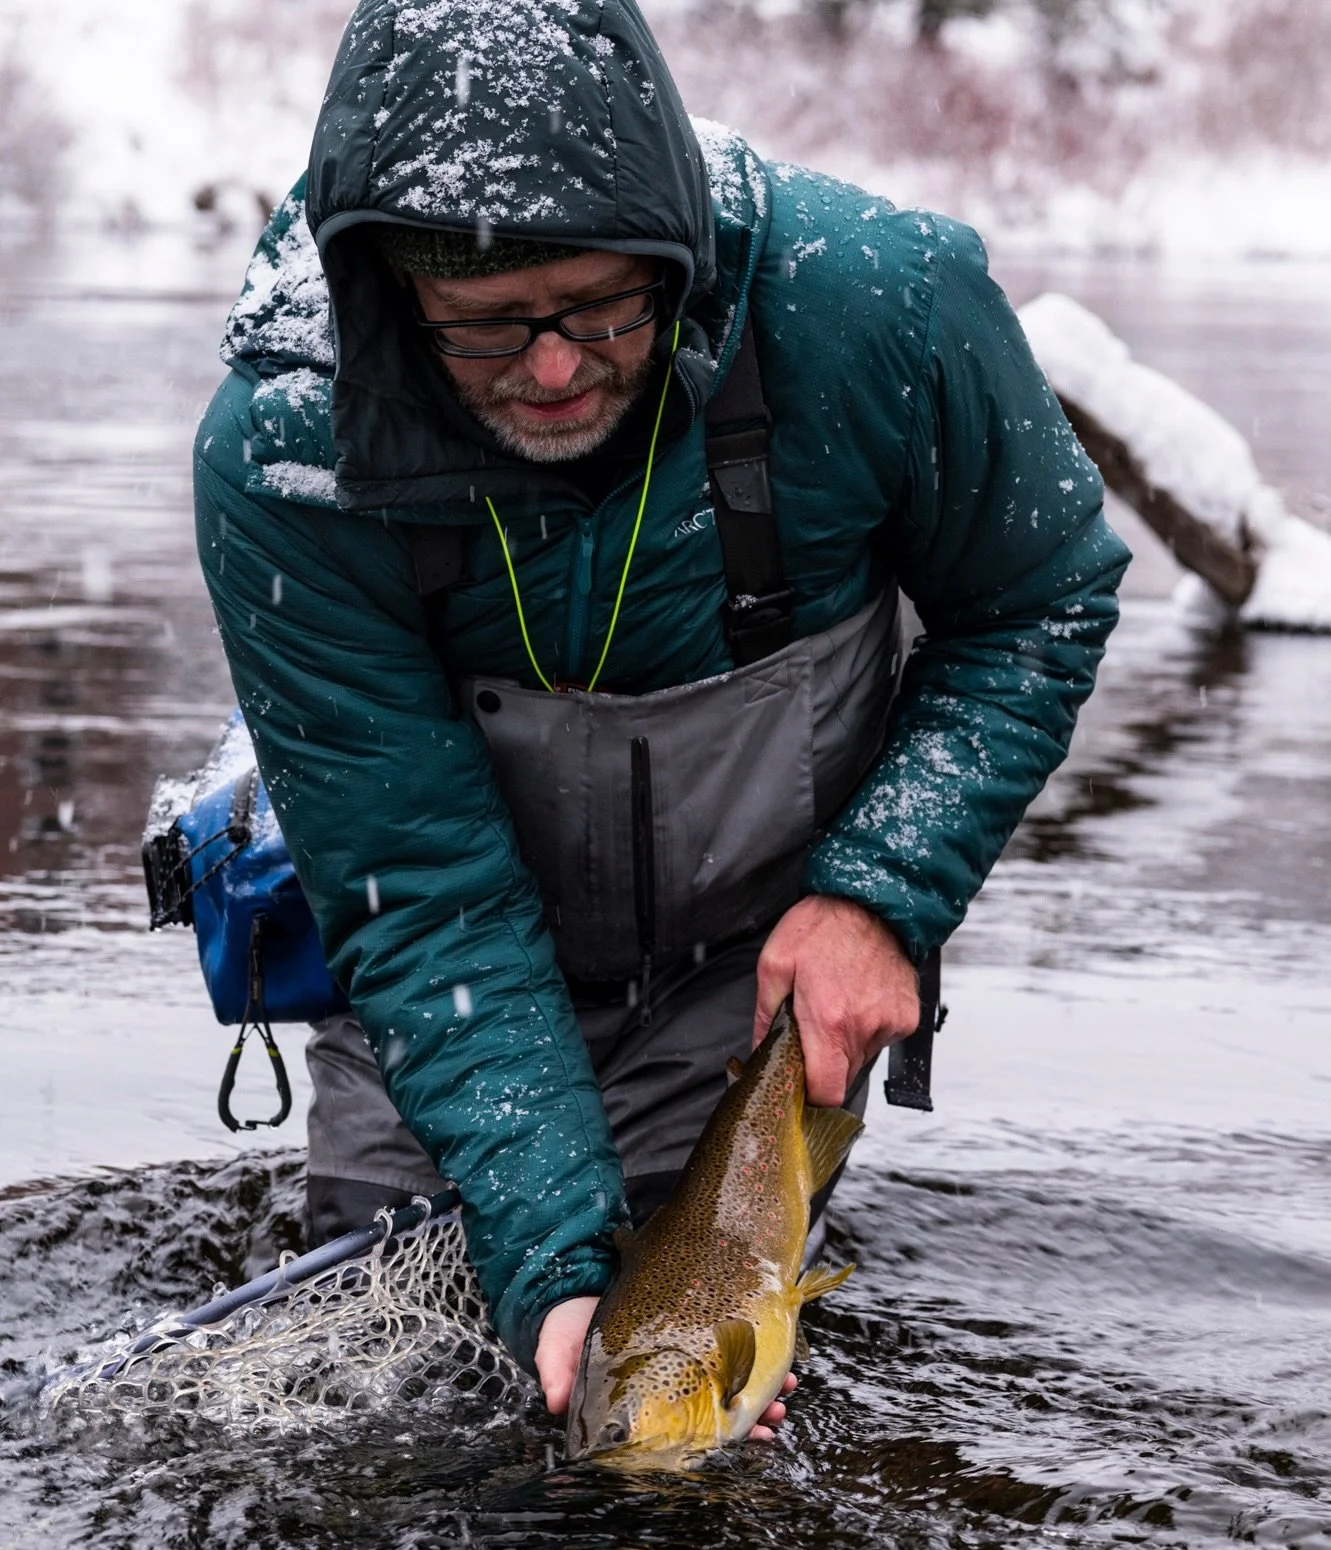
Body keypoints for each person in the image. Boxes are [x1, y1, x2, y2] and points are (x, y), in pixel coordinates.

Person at [194, 0, 1129, 1425]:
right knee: (412, 1407)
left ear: (676, 253)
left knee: (699, 1431)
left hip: (747, 981)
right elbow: (424, 892)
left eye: (603, 307)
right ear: (390, 296)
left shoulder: (876, 308)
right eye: (485, 327)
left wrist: (880, 899)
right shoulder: (286, 455)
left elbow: (1036, 600)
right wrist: (556, 1266)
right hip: (440, 984)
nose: (554, 367)